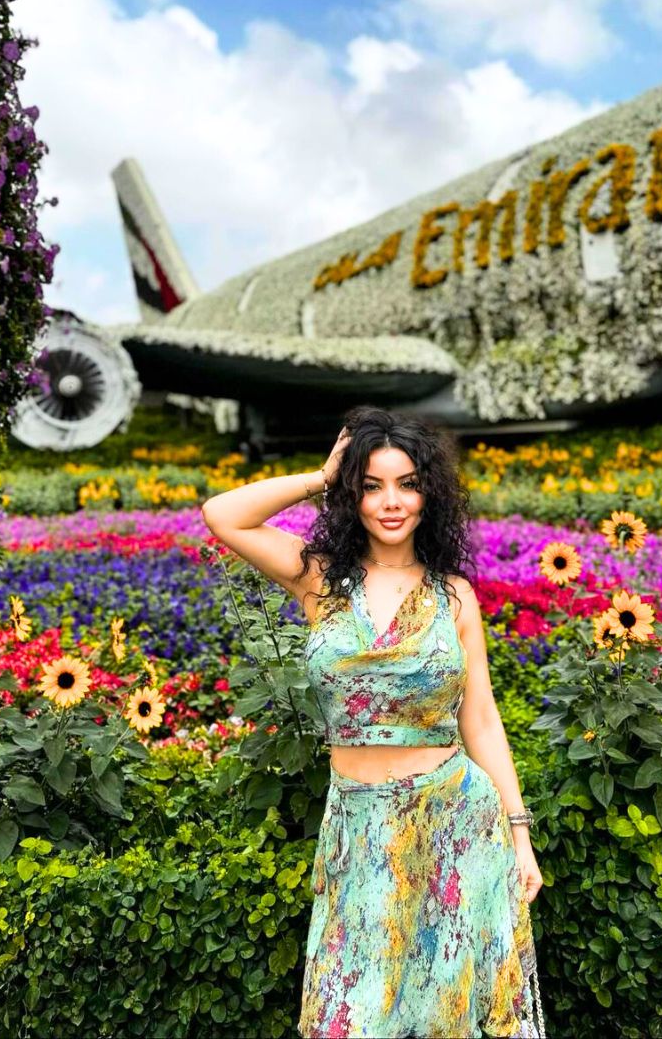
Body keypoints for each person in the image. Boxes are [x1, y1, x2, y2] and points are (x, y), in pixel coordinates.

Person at [201, 405, 545, 1038]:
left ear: (428, 494)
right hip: (358, 828)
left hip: (454, 825)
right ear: (351, 494)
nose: (391, 502)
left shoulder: (453, 596)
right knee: (350, 1016)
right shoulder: (318, 580)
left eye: (408, 483)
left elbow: (484, 721)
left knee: (448, 1014)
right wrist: (322, 475)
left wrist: (520, 834)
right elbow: (223, 515)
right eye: (371, 485)